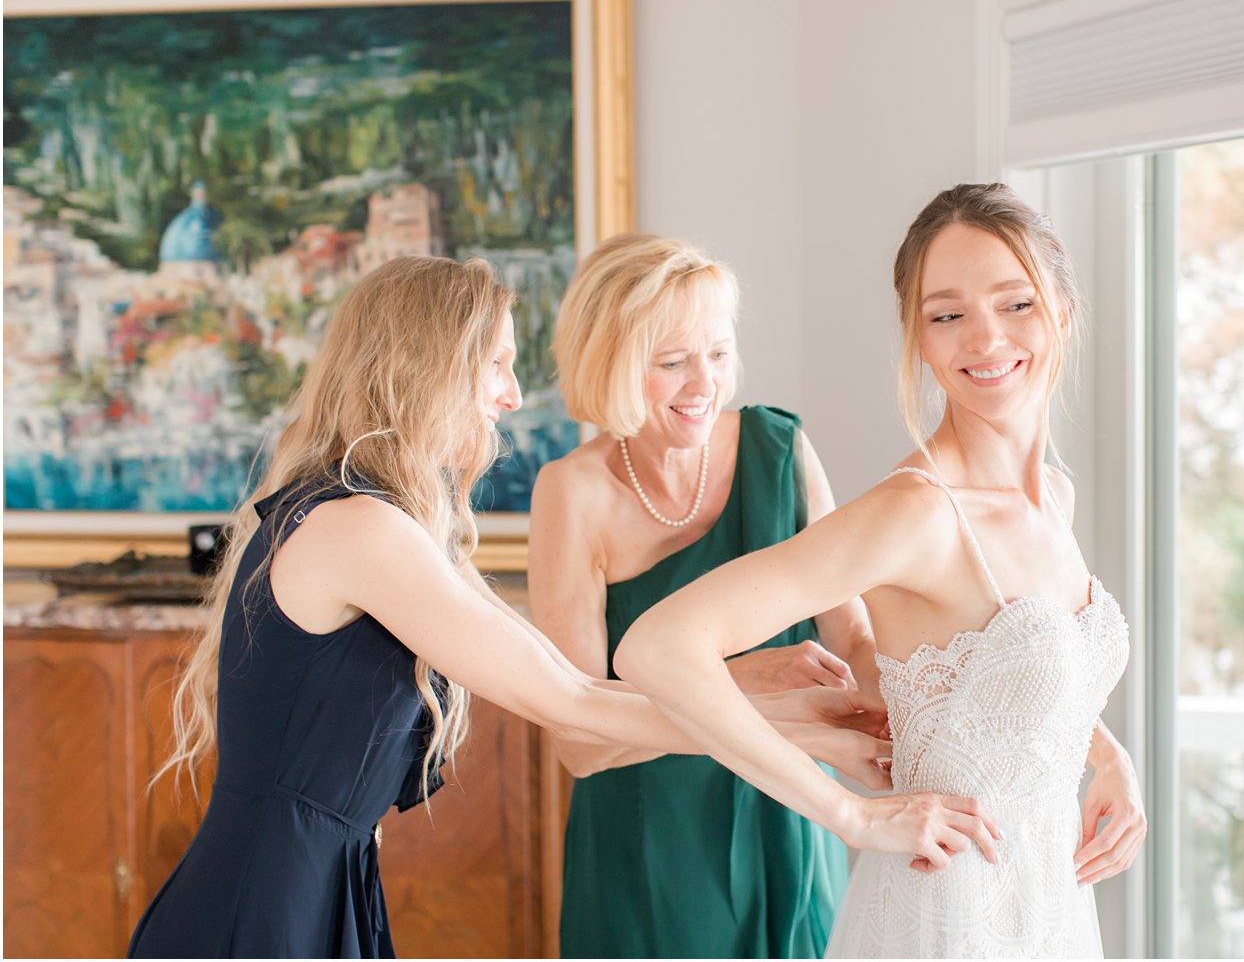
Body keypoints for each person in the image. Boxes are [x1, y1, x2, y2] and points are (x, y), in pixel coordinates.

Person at [126, 254, 946, 959]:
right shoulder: (359, 529)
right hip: (264, 909)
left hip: (309, 888)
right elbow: (577, 706)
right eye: (497, 365)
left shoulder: (386, 520)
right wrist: (850, 810)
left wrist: (794, 711)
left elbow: (567, 682)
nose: (513, 396)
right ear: (427, 364)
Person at [618, 184, 1148, 958]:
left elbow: (1018, 687)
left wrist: (1109, 756)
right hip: (945, 917)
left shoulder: (1053, 498)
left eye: (1015, 303)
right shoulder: (917, 512)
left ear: (1062, 311)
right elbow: (658, 647)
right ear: (919, 339)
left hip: (1050, 915)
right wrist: (849, 814)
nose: (984, 338)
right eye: (946, 315)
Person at [530, 233, 891, 958]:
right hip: (650, 840)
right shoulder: (572, 493)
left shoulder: (780, 451)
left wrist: (916, 723)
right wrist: (736, 684)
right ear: (614, 364)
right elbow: (580, 740)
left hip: (790, 806)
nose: (704, 384)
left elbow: (853, 634)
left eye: (718, 353)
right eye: (673, 362)